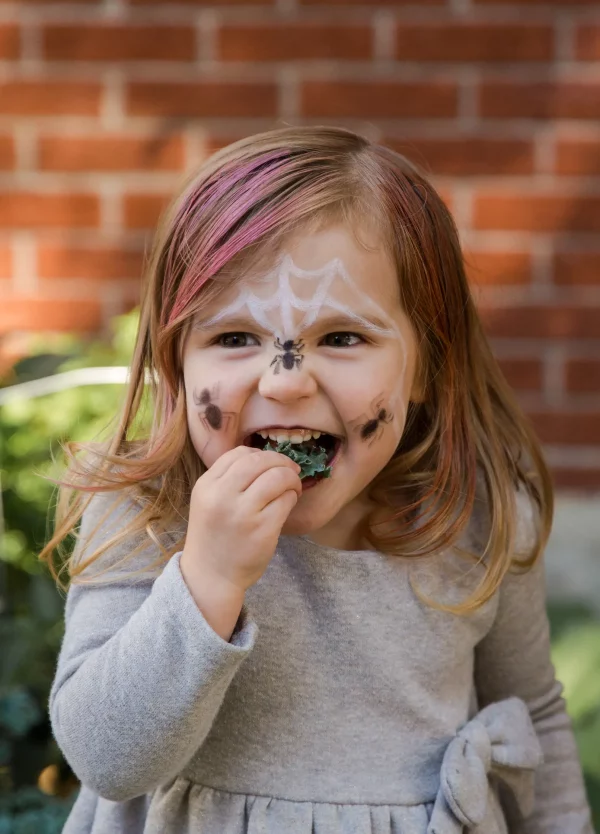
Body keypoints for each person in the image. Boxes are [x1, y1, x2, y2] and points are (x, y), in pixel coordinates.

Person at [41, 125, 593, 834]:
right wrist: (206, 581)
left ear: (426, 365)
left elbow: (537, 718)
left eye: (342, 338)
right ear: (177, 363)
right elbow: (106, 760)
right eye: (235, 338)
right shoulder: (149, 511)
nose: (286, 381)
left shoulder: (477, 518)